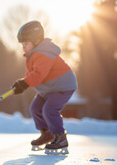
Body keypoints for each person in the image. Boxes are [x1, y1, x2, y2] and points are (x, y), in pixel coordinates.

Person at [12, 21, 77, 155]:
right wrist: (22, 83)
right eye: (22, 45)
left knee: (49, 110)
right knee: (35, 108)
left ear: (36, 41)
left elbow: (39, 74)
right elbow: (32, 74)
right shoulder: (33, 55)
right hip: (49, 88)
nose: (23, 48)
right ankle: (47, 134)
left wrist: (25, 83)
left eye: (26, 44)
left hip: (62, 86)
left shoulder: (43, 54)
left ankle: (60, 138)